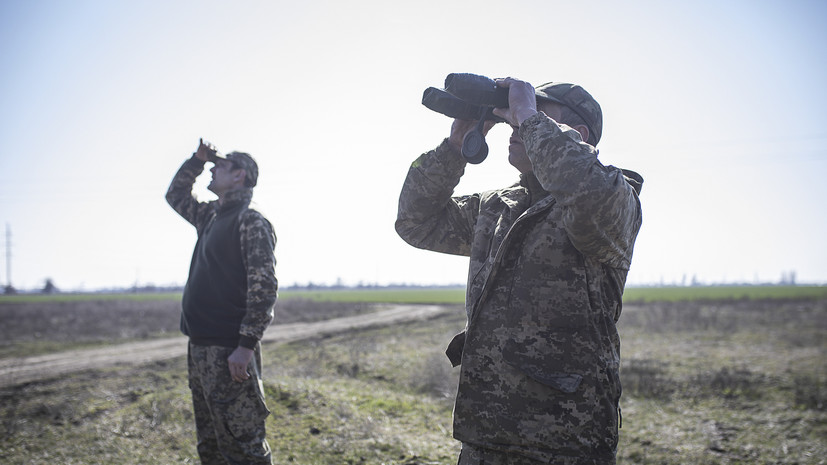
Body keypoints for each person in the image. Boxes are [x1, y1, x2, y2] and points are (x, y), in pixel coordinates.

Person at [395, 78, 643, 465]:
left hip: (564, 443)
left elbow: (587, 190)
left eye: (534, 116)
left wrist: (528, 115)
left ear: (577, 136)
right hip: (485, 435)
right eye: (514, 118)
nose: (516, 125)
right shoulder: (498, 207)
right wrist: (456, 145)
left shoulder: (611, 198)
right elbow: (416, 221)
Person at [166, 139, 278, 465]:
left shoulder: (250, 222)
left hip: (229, 352)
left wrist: (245, 345)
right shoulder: (210, 217)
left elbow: (264, 287)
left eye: (220, 166)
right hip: (199, 348)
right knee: (211, 445)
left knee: (243, 447)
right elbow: (175, 196)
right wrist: (196, 161)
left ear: (240, 175)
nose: (212, 170)